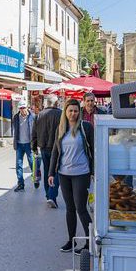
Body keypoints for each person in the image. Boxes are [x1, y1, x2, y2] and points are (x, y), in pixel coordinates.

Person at [48, 99, 94, 254]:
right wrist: (51, 173)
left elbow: (93, 150)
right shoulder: (60, 129)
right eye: (70, 111)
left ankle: (89, 243)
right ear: (65, 112)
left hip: (81, 173)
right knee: (70, 209)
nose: (73, 113)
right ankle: (71, 241)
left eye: (75, 111)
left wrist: (94, 171)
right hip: (64, 174)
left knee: (81, 208)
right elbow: (55, 151)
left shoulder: (85, 127)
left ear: (78, 112)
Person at [32, 94, 62, 208]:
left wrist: (34, 147)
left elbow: (34, 133)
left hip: (43, 148)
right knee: (56, 171)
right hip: (57, 148)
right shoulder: (60, 114)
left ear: (47, 103)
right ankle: (51, 195)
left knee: (47, 171)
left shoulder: (39, 115)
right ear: (55, 103)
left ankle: (48, 194)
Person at [11, 100, 36, 192]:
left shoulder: (33, 117)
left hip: (29, 144)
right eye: (20, 108)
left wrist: (36, 143)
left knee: (32, 163)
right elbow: (15, 130)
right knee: (18, 165)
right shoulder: (16, 117)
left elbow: (36, 131)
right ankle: (21, 183)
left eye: (23, 108)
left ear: (27, 107)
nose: (22, 110)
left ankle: (36, 179)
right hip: (19, 144)